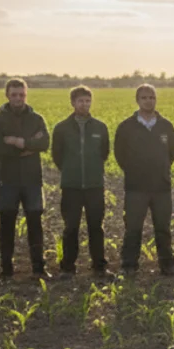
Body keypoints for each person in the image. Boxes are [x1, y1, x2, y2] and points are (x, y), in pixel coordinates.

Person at [114, 84, 174, 276]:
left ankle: (167, 265)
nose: (148, 101)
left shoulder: (165, 126)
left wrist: (161, 170)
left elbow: (171, 154)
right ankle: (129, 265)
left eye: (151, 97)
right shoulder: (126, 127)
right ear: (137, 100)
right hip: (136, 187)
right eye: (144, 98)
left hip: (161, 186)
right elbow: (120, 154)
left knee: (163, 228)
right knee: (133, 228)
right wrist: (134, 171)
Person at [0, 78, 51, 281]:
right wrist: (28, 147)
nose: (18, 98)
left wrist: (17, 141)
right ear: (7, 95)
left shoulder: (36, 118)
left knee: (35, 223)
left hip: (32, 180)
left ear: (26, 95)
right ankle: (6, 269)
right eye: (14, 94)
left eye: (22, 94)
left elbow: (44, 143)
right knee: (6, 224)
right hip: (7, 180)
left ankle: (39, 268)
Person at [51, 86, 112, 280]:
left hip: (95, 186)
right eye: (80, 101)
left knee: (96, 226)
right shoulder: (61, 128)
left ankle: (99, 266)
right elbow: (57, 156)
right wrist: (71, 171)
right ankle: (68, 267)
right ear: (73, 103)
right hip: (71, 186)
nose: (84, 104)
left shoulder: (100, 127)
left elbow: (104, 153)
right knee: (71, 227)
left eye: (87, 101)